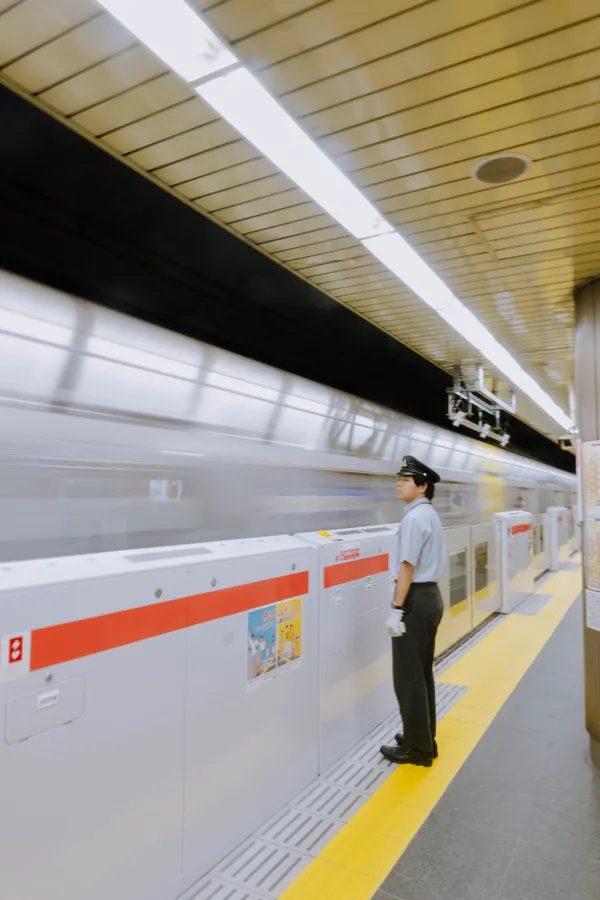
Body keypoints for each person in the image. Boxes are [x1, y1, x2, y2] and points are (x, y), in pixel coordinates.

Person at [381, 455, 445, 767]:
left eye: (406, 480)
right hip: (430, 597)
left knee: (407, 677)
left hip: (415, 600)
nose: (399, 483)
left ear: (422, 486)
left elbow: (407, 567)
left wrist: (396, 608)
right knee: (420, 674)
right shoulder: (428, 514)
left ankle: (417, 751)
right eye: (399, 479)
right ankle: (423, 737)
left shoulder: (414, 519)